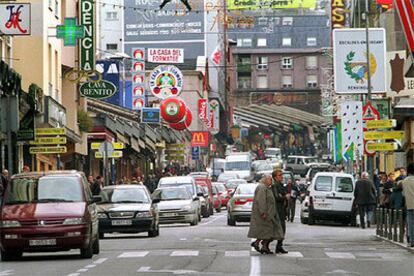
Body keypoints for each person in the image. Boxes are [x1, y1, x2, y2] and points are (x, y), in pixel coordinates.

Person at [248, 175, 284, 254]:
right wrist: (263, 212)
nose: (271, 181)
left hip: (270, 213)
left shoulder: (267, 188)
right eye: (270, 179)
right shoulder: (262, 188)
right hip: (265, 214)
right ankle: (258, 243)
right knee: (266, 230)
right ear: (265, 180)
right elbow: (261, 201)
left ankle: (263, 246)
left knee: (269, 231)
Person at [271, 169, 289, 254]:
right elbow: (277, 197)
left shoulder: (281, 185)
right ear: (275, 177)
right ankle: (264, 243)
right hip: (277, 210)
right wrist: (285, 197)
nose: (281, 177)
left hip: (282, 209)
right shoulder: (275, 186)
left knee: (282, 229)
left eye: (282, 175)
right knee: (278, 229)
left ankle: (279, 245)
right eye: (279, 175)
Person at [402, 163, 414, 247]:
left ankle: (412, 241)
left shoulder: (405, 181)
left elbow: (403, 194)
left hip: (410, 205)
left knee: (411, 224)